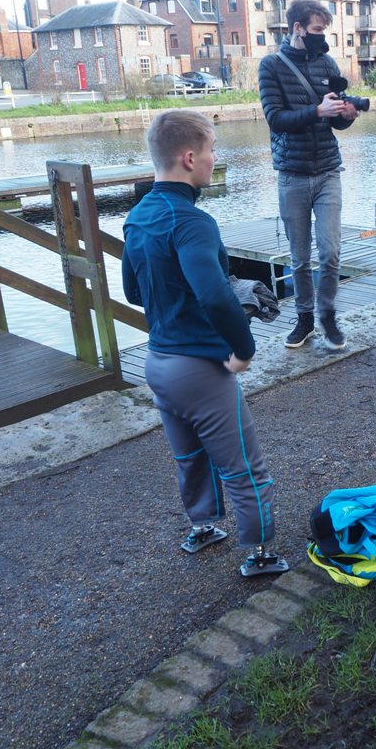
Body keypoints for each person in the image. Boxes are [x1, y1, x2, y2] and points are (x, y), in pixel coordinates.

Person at [122, 109, 289, 578]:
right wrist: (244, 350)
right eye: (212, 150)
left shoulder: (138, 217)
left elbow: (134, 292)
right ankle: (260, 553)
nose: (215, 158)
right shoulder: (193, 221)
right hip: (199, 369)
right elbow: (215, 296)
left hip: (158, 364)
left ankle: (202, 527)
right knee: (244, 467)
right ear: (189, 158)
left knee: (190, 457)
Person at [258, 0, 359, 351]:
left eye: (324, 30)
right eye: (317, 30)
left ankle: (327, 315)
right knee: (300, 257)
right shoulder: (271, 65)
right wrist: (317, 110)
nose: (321, 36)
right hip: (293, 174)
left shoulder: (327, 63)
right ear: (297, 28)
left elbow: (335, 122)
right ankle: (304, 319)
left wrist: (346, 115)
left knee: (330, 252)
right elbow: (276, 119)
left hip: (328, 170)